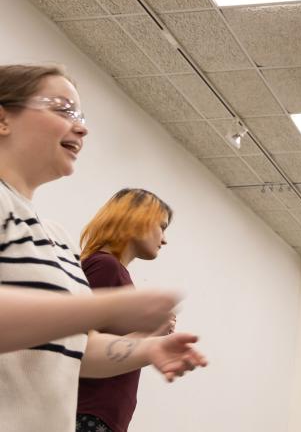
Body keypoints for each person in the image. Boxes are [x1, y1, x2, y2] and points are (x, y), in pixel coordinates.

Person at [0, 64, 207, 431]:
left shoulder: (57, 238)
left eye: (80, 116)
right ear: (3, 119)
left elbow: (75, 351)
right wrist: (109, 306)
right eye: (62, 109)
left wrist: (147, 348)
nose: (82, 128)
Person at [77, 188, 177, 432]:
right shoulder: (105, 266)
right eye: (162, 227)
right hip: (88, 413)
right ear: (137, 218)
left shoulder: (114, 271)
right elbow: (79, 345)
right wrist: (151, 332)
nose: (164, 239)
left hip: (100, 416)